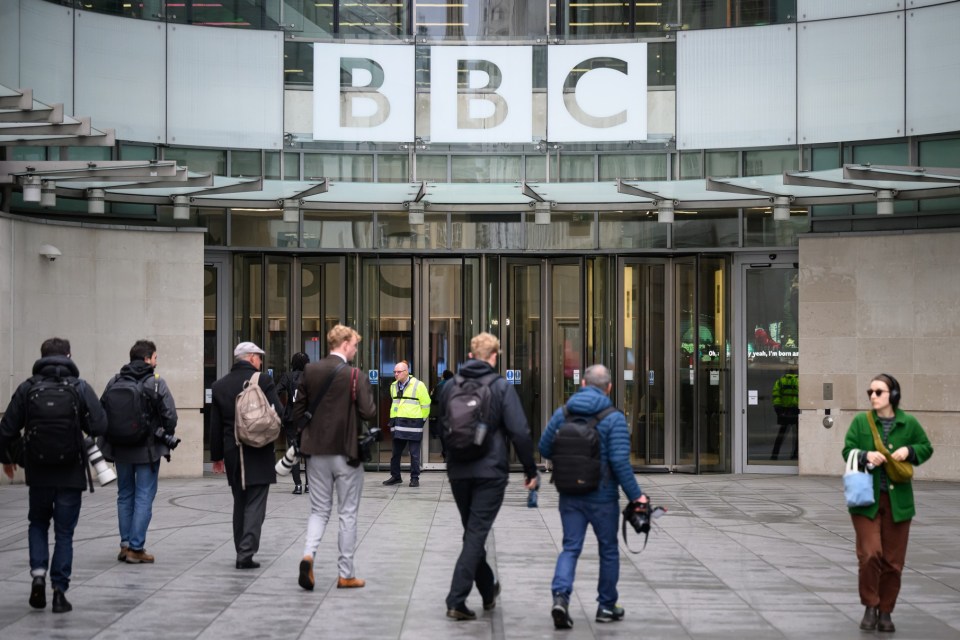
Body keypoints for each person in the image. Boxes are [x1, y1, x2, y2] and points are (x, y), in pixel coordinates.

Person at [0, 337, 107, 613]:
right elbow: (100, 423)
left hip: (38, 471)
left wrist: (9, 458)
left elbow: (6, 429)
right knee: (64, 533)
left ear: (42, 356)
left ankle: (38, 575)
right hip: (71, 471)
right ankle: (59, 591)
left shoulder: (28, 387)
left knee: (37, 523)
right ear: (69, 355)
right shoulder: (80, 386)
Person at [438, 332, 538, 621]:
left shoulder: (449, 387)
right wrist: (531, 470)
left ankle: (487, 589)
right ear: (495, 356)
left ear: (471, 355)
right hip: (490, 472)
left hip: (458, 471)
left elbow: (442, 426)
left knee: (473, 532)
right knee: (476, 534)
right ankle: (456, 599)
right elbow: (519, 431)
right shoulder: (500, 386)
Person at [538, 364, 646, 629]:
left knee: (570, 548)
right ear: (608, 388)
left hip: (569, 495)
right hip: (603, 497)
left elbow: (544, 447)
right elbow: (620, 463)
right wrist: (637, 497)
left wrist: (569, 461)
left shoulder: (563, 413)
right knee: (608, 550)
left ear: (583, 385)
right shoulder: (614, 418)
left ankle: (561, 598)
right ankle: (606, 606)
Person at [842, 373, 933, 633]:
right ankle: (870, 605)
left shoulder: (908, 423)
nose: (873, 396)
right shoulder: (861, 422)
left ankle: (885, 612)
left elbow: (926, 447)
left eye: (879, 392)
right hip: (865, 501)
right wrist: (865, 454)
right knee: (871, 554)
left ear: (892, 395)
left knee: (893, 561)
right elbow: (847, 450)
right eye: (870, 392)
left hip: (898, 501)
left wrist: (910, 451)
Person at [292, 325, 376, 591]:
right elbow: (368, 411)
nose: (355, 349)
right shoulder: (355, 375)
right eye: (354, 345)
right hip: (346, 451)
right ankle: (345, 573)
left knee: (318, 510)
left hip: (315, 452)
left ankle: (308, 554)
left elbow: (298, 410)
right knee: (347, 513)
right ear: (344, 343)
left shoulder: (310, 371)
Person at [101, 339, 178, 564]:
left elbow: (101, 410)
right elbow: (170, 415)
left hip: (120, 450)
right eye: (155, 357)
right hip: (147, 450)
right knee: (144, 496)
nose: (156, 361)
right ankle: (136, 548)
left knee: (124, 495)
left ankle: (125, 546)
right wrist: (164, 433)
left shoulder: (115, 381)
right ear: (147, 359)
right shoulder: (155, 382)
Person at [210, 341, 281, 569]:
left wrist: (217, 456)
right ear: (250, 358)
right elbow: (279, 412)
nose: (260, 361)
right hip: (258, 450)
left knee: (239, 502)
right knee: (256, 502)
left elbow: (215, 426)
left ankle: (241, 547)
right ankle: (246, 553)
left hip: (232, 450)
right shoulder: (263, 381)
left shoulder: (219, 386)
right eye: (259, 357)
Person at [383, 360, 431, 488]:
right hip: (398, 423)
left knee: (414, 454)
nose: (396, 374)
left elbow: (426, 404)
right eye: (394, 372)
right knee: (395, 453)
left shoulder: (418, 385)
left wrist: (422, 420)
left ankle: (414, 478)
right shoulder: (393, 386)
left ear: (406, 372)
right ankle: (395, 477)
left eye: (398, 372)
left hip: (413, 424)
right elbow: (395, 403)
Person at [277, 352, 310, 494]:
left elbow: (276, 391)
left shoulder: (288, 376)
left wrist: (281, 410)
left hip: (291, 418)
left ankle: (297, 485)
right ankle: (310, 485)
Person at [770, 371, 799, 460]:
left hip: (784, 411)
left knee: (781, 435)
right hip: (797, 410)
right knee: (798, 435)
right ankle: (795, 455)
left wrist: (778, 409)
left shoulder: (781, 381)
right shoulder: (800, 381)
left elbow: (776, 394)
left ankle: (774, 455)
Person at [430, 369, 454, 461]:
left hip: (443, 412)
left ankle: (446, 453)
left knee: (443, 434)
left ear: (443, 376)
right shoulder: (457, 384)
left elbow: (436, 399)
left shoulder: (440, 385)